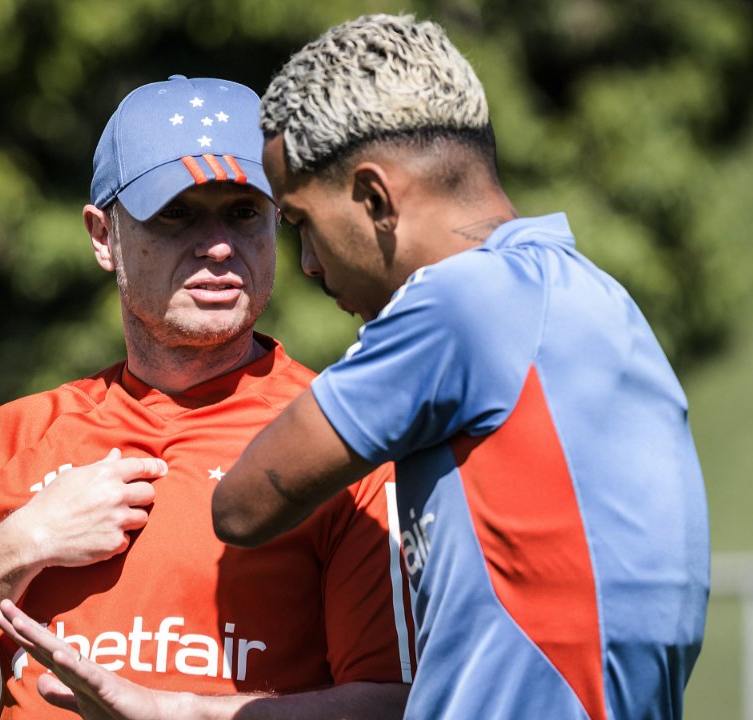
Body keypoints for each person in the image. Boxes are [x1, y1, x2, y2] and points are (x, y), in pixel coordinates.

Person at [0, 75, 413, 720]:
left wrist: (170, 713)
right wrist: (22, 543)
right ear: (101, 235)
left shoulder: (344, 439)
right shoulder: (11, 436)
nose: (219, 244)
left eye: (244, 212)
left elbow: (394, 706)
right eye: (176, 213)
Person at [211, 14, 710, 720]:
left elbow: (242, 505)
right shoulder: (595, 296)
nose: (310, 265)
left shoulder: (459, 302)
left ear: (373, 197)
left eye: (300, 224)